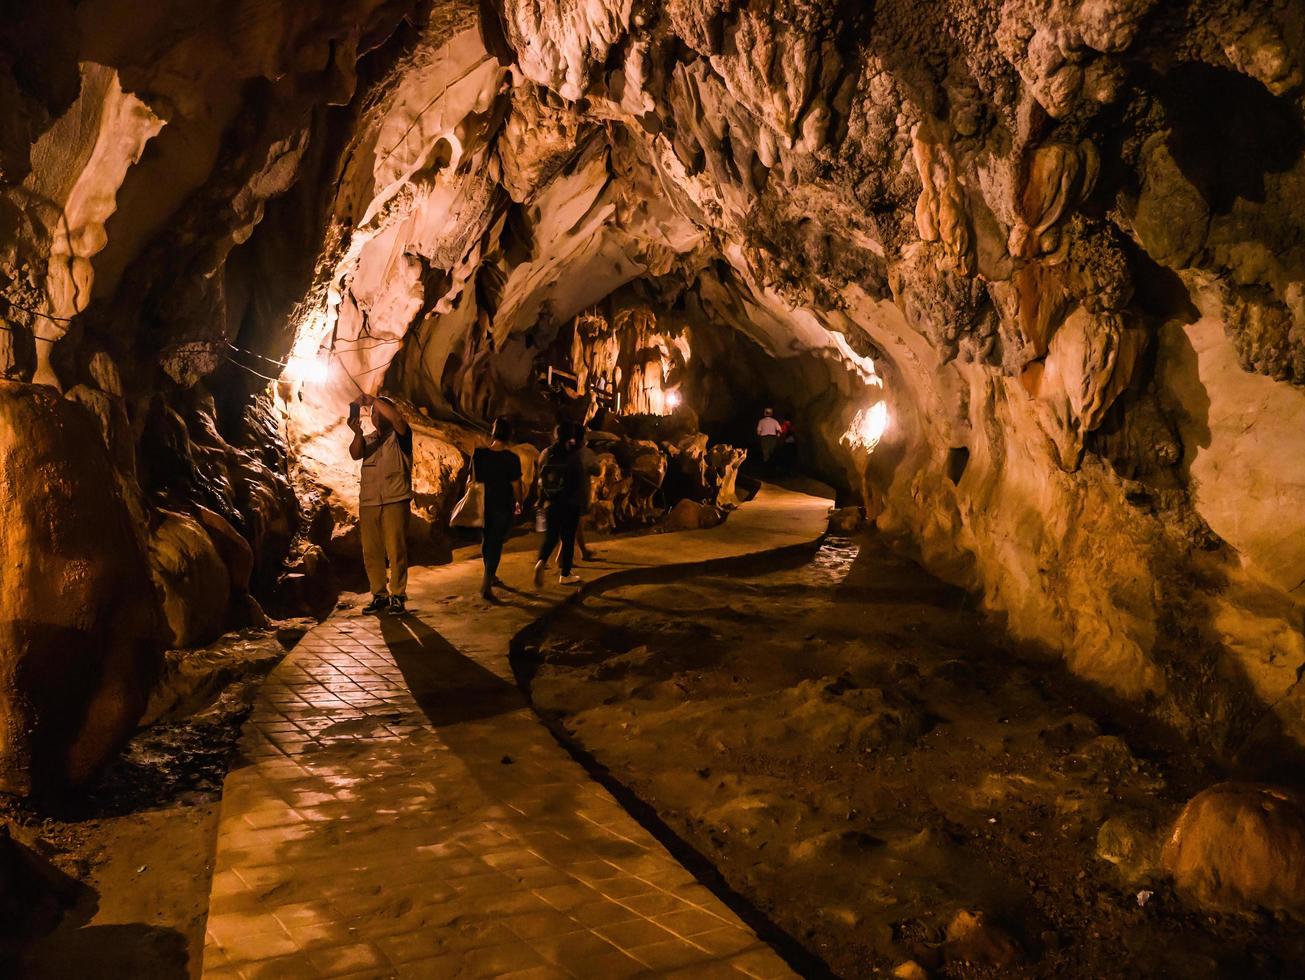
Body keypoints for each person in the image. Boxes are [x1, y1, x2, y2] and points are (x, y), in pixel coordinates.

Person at [348, 394, 413, 615]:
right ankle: (379, 595)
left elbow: (397, 419)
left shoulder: (401, 436)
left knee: (396, 551)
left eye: (378, 412)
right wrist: (357, 433)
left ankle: (398, 595)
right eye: (373, 413)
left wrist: (372, 399)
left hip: (395, 499)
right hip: (369, 503)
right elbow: (355, 453)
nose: (375, 416)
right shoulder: (369, 440)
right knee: (372, 552)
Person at [472, 417, 524, 602]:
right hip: (502, 504)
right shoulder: (511, 458)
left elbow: (473, 479)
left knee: (487, 540)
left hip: (482, 504)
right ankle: (486, 585)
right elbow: (517, 485)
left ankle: (490, 575)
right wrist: (520, 502)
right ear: (510, 435)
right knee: (496, 544)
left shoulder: (479, 454)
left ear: (493, 432)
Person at [533, 422, 589, 587]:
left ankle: (541, 562)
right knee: (568, 539)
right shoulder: (573, 456)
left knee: (551, 538)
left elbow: (540, 479)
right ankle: (565, 574)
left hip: (551, 502)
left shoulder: (546, 453)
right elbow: (579, 482)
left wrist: (542, 499)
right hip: (570, 503)